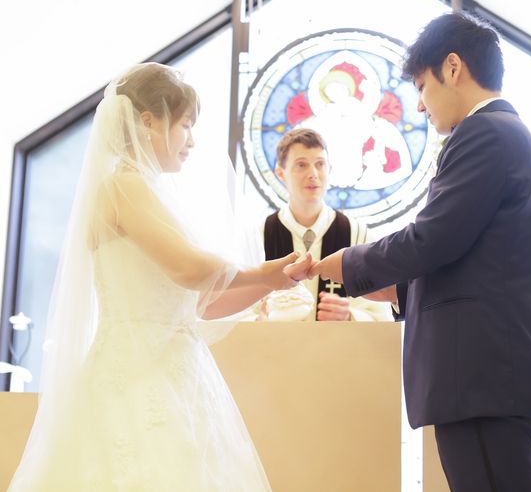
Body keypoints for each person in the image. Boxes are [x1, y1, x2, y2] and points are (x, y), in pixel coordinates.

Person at [8, 63, 310, 491]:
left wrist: (271, 282)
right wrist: (263, 271)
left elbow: (204, 303)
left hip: (179, 373)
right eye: (185, 125)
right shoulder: (123, 187)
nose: (193, 141)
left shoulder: (152, 194)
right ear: (148, 121)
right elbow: (188, 268)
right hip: (137, 374)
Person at [310, 12, 531, 491]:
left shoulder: (485, 133)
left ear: (453, 67)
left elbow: (432, 238)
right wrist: (394, 291)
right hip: (493, 380)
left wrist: (347, 263)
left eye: (422, 86)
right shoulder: (504, 134)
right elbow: (470, 258)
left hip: (485, 379)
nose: (420, 105)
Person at [251, 127, 392, 322]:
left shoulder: (357, 235)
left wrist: (349, 316)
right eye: (301, 165)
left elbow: (382, 315)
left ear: (330, 169)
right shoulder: (259, 237)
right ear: (281, 173)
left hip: (337, 343)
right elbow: (237, 314)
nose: (313, 174)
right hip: (275, 342)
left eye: (320, 164)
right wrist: (261, 318)